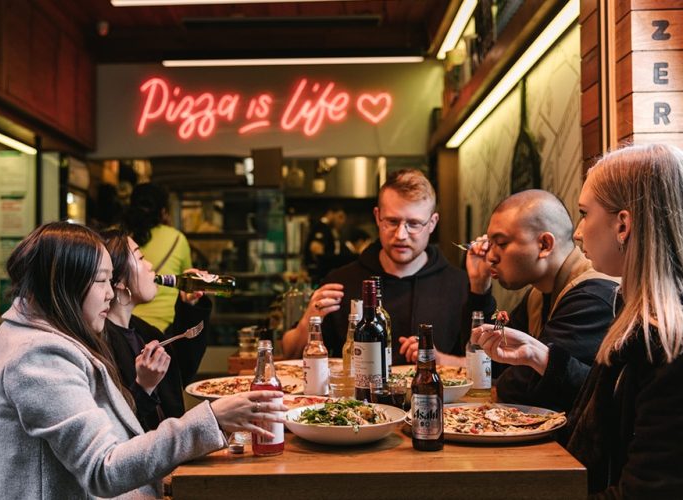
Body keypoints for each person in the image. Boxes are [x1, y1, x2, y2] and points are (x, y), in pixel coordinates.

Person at [0, 222, 286, 499]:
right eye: (101, 280)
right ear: (67, 283)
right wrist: (211, 420)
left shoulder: (52, 334)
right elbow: (103, 469)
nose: (110, 293)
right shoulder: (38, 355)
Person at [474, 144, 683, 497]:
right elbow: (606, 415)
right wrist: (541, 357)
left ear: (623, 225)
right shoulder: (632, 314)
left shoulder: (666, 341)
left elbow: (649, 490)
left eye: (585, 214)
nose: (579, 232)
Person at [282, 169, 468, 362]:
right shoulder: (341, 282)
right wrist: (308, 321)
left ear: (432, 223)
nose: (401, 235)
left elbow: (487, 368)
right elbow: (290, 354)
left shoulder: (459, 285)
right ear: (378, 217)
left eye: (413, 224)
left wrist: (441, 360)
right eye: (392, 221)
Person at [464, 190, 619, 410]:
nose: (491, 256)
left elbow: (521, 388)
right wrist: (479, 287)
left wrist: (508, 378)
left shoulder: (591, 295)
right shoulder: (538, 293)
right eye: (490, 244)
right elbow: (493, 362)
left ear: (545, 245)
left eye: (501, 243)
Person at [101, 228, 211, 431]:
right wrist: (144, 386)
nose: (150, 265)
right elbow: (114, 429)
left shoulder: (144, 331)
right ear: (118, 280)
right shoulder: (101, 343)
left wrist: (190, 306)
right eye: (140, 258)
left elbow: (182, 371)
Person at [125, 182, 193, 332]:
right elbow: (187, 282)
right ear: (163, 211)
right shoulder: (176, 238)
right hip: (164, 327)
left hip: (124, 324)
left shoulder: (117, 237)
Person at [303, 204, 346, 284]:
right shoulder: (322, 227)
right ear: (330, 213)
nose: (342, 221)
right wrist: (327, 265)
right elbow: (315, 248)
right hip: (320, 276)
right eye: (340, 217)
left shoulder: (326, 228)